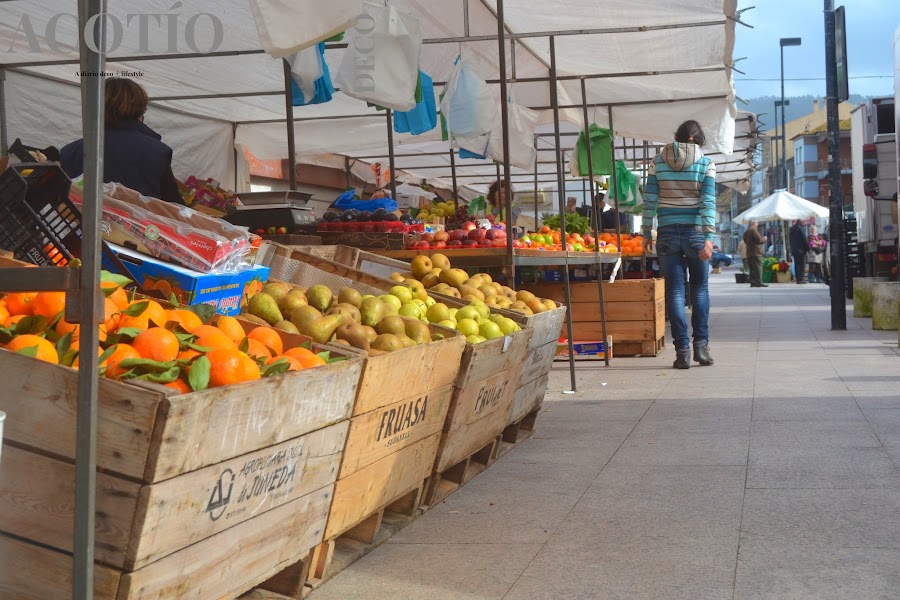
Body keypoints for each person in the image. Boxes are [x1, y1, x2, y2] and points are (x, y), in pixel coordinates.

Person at [642, 120, 717, 369]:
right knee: (700, 289)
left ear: (677, 137)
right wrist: (709, 237)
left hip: (666, 233)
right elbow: (708, 202)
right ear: (700, 139)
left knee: (675, 291)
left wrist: (645, 232)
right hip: (696, 233)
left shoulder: (658, 162)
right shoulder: (706, 164)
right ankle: (701, 347)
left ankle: (682, 352)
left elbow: (650, 198)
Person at [61, 78, 183, 204]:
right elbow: (175, 205)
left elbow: (58, 199)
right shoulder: (157, 151)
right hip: (136, 217)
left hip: (80, 216)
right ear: (140, 110)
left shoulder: (70, 151)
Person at [743, 220, 768, 287]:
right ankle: (759, 281)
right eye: (757, 223)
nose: (757, 224)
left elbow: (745, 240)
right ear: (753, 223)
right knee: (758, 267)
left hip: (749, 252)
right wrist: (764, 239)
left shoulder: (746, 231)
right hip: (756, 252)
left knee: (752, 268)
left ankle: (753, 282)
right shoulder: (753, 230)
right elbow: (759, 240)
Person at [789, 220, 809, 284]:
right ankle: (801, 279)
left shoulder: (792, 229)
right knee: (802, 265)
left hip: (794, 250)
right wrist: (808, 248)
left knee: (797, 265)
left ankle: (798, 279)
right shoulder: (800, 229)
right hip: (801, 250)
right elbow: (804, 239)